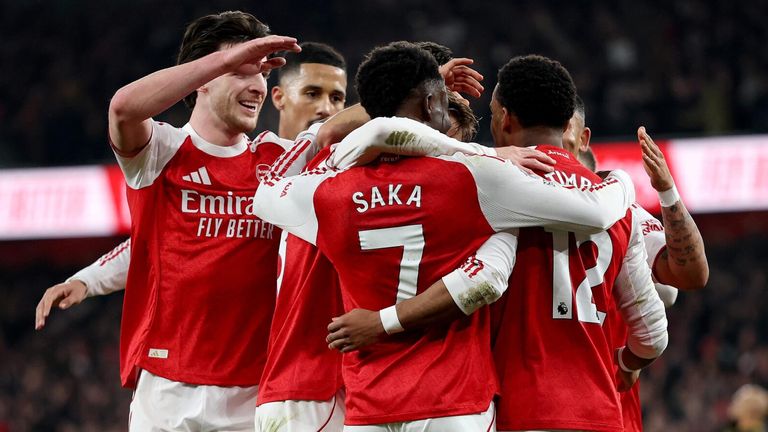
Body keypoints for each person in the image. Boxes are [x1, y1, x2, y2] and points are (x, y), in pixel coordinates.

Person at [254, 42, 637, 431]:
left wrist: (326, 133)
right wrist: (623, 181)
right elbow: (595, 214)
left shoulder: (327, 191)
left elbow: (266, 194)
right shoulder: (472, 180)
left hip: (367, 403)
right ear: (431, 104)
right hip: (453, 400)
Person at [45, 11, 301, 431]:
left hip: (255, 395)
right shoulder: (163, 151)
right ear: (202, 76)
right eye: (241, 72)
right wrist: (90, 279)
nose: (258, 85)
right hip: (166, 392)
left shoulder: (276, 163)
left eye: (263, 76)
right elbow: (124, 108)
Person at [34, 41, 350, 328]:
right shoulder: (262, 164)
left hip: (294, 369)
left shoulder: (344, 174)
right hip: (208, 370)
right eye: (313, 93)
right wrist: (89, 280)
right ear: (280, 98)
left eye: (338, 99)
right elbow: (157, 241)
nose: (327, 109)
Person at [563, 96, 709, 432]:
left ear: (582, 142)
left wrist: (668, 191)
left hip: (606, 410)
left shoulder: (621, 211)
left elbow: (691, 273)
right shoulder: (509, 197)